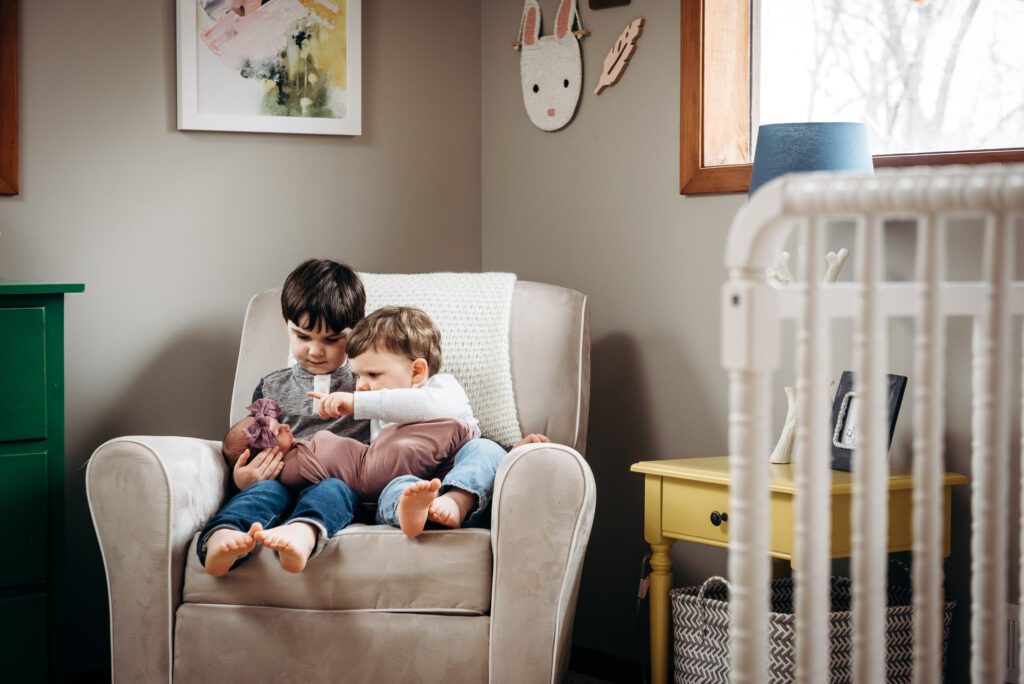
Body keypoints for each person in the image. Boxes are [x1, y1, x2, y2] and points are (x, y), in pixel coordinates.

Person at [311, 306, 550, 537]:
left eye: (372, 375)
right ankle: (412, 513)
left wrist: (511, 452)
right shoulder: (378, 417)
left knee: (486, 449)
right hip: (409, 493)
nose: (361, 386)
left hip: (466, 492)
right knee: (396, 487)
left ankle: (456, 500)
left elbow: (422, 405)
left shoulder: (444, 390)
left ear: (417, 372)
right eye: (357, 376)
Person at [198, 258, 369, 576]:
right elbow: (246, 444)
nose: (316, 351)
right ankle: (223, 538)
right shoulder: (271, 386)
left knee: (333, 491)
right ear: (285, 322)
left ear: (356, 329)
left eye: (331, 340)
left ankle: (302, 534)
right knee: (262, 494)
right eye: (303, 337)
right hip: (279, 483)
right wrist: (241, 480)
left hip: (338, 482)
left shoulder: (367, 384)